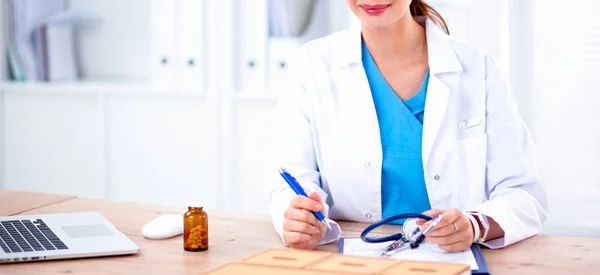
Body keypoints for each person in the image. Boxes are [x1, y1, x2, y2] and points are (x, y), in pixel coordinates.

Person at [264, 0, 548, 252]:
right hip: (351, 258)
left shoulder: (478, 68)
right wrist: (296, 217)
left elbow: (523, 193)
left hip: (453, 259)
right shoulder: (311, 65)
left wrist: (476, 225)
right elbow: (290, 181)